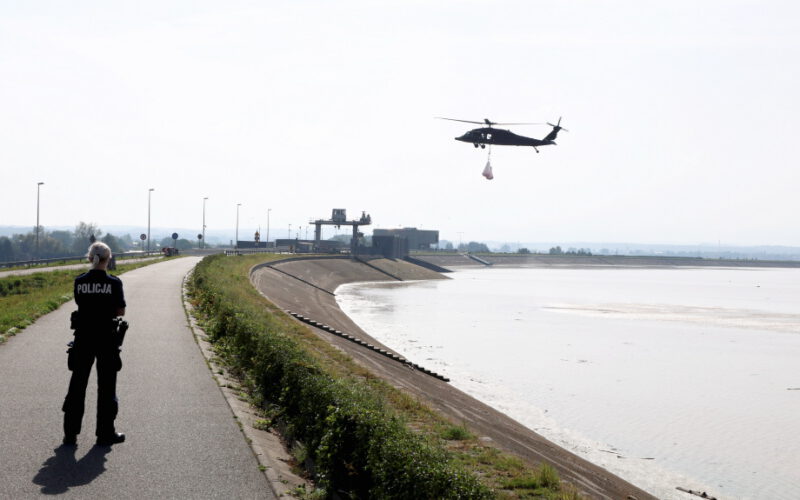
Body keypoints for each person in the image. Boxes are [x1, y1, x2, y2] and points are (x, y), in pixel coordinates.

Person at [62, 242, 127, 446]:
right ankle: (105, 433)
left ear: (90, 258)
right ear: (109, 259)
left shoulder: (79, 282)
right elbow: (120, 311)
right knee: (106, 387)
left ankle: (70, 434)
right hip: (107, 339)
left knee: (77, 385)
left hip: (83, 338)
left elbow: (80, 304)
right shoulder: (114, 283)